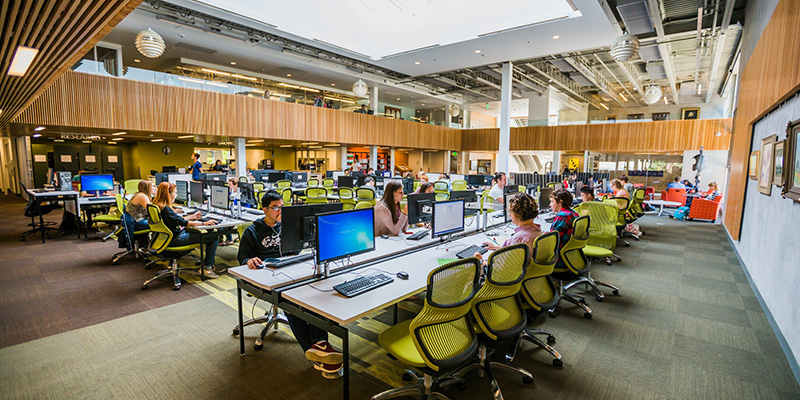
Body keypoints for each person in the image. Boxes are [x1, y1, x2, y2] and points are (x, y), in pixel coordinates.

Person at [238, 191, 343, 379]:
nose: (280, 211)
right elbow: (242, 257)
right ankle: (317, 353)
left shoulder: (287, 226)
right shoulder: (252, 231)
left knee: (314, 296)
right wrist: (249, 261)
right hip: (265, 277)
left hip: (289, 272)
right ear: (265, 209)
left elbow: (297, 249)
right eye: (276, 207)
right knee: (293, 305)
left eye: (282, 206)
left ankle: (319, 347)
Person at [152, 182, 220, 278]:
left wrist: (192, 216)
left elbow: (177, 220)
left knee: (202, 232)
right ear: (168, 194)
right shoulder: (166, 209)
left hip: (165, 238)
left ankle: (209, 264)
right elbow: (183, 223)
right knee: (214, 237)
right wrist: (204, 223)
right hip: (175, 239)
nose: (176, 195)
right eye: (175, 193)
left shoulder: (158, 205)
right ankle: (207, 268)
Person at [549, 188, 579, 270]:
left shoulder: (563, 216)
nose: (550, 205)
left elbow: (551, 239)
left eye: (552, 201)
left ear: (560, 201)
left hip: (559, 259)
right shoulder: (573, 213)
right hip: (570, 256)